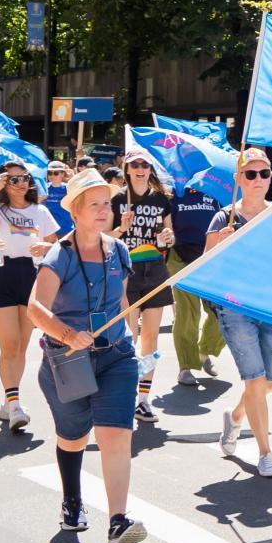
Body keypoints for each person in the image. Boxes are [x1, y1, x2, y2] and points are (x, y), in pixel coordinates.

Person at [29, 169, 148, 543]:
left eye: (107, 204)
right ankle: (72, 499)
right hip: (68, 361)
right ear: (75, 211)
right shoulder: (59, 255)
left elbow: (121, 301)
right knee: (74, 437)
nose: (103, 210)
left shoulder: (119, 251)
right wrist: (67, 335)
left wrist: (132, 338)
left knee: (115, 436)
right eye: (94, 204)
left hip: (116, 356)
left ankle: (117, 522)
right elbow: (36, 308)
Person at [208, 148, 272, 477]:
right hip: (235, 307)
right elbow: (204, 266)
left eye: (264, 173)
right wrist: (220, 243)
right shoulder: (224, 218)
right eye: (250, 174)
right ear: (239, 178)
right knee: (254, 380)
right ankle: (265, 452)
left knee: (269, 383)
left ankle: (236, 416)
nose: (258, 179)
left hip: (271, 305)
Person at [0, 160, 60, 431]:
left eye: (24, 177)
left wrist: (45, 246)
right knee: (9, 344)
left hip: (30, 274)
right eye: (13, 179)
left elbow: (56, 244)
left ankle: (9, 398)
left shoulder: (40, 210)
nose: (21, 183)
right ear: (3, 183)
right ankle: (15, 405)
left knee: (22, 346)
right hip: (0, 273)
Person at [111, 153, 176, 423]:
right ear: (127, 169)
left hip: (155, 270)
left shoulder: (161, 199)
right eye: (135, 165)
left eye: (145, 165)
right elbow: (103, 237)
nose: (140, 169)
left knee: (151, 337)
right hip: (126, 272)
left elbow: (169, 237)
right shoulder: (117, 199)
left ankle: (143, 399)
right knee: (129, 337)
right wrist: (121, 228)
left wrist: (168, 237)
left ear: (150, 169)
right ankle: (123, 395)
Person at [169, 186, 224, 387]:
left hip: (211, 260)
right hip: (181, 258)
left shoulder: (215, 193)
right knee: (188, 313)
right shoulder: (175, 194)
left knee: (222, 312)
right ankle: (186, 366)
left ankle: (204, 352)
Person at [42, 161, 74, 236]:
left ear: (62, 174)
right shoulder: (44, 188)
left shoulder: (69, 188)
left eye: (56, 173)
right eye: (49, 173)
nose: (52, 175)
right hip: (49, 231)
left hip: (66, 230)